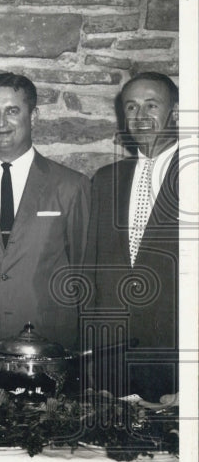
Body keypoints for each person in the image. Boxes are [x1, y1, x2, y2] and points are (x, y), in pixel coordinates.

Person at [0, 73, 90, 390]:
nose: (1, 122)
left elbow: (85, 271)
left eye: (12, 110)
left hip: (48, 345)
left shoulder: (70, 186)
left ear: (33, 115)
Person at [85, 72, 179, 401]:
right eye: (131, 107)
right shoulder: (106, 180)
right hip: (113, 362)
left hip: (176, 359)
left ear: (176, 112)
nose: (140, 117)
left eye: (151, 105)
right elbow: (91, 274)